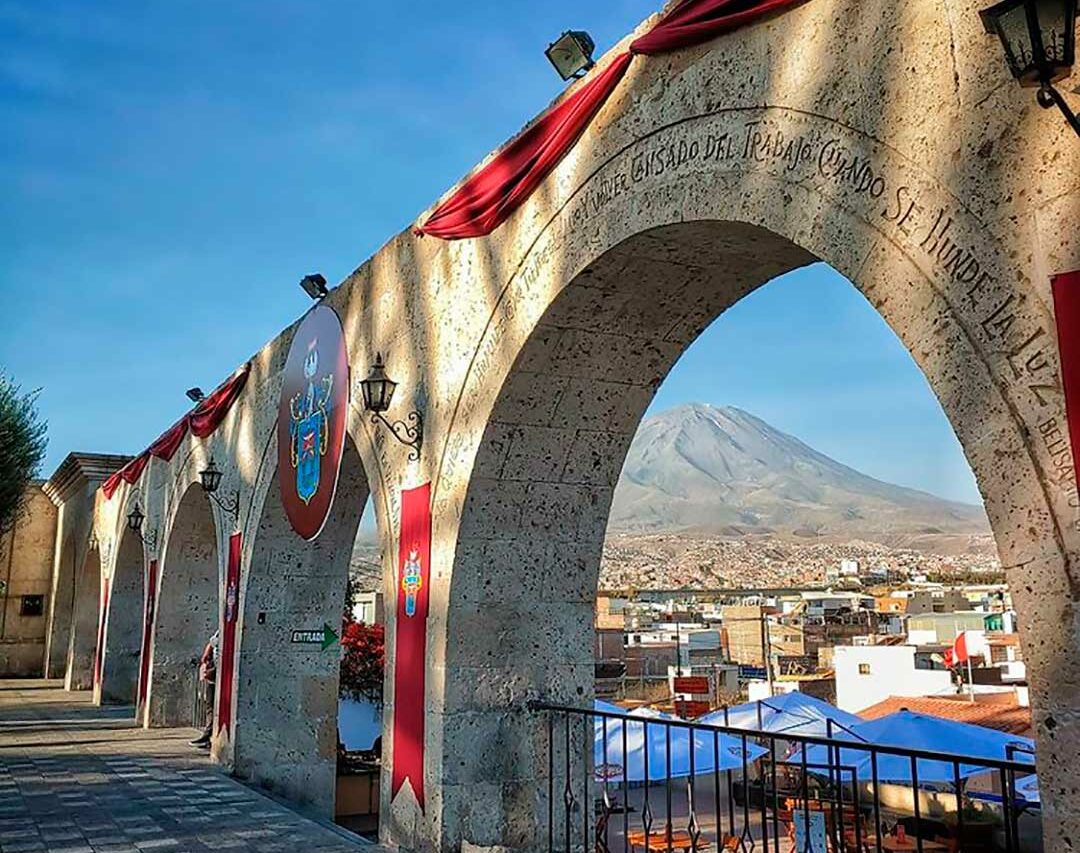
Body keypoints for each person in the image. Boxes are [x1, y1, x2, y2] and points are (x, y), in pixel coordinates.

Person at [189, 630, 218, 748]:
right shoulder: (219, 632)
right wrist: (207, 654)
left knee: (215, 707)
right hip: (213, 675)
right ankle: (208, 735)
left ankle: (210, 735)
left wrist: (211, 671)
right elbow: (212, 642)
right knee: (209, 706)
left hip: (219, 673)